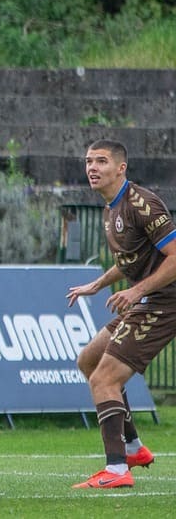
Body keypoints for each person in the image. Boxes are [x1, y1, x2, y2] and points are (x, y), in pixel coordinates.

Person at [67, 140, 174, 490]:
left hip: (164, 301)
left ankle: (116, 470)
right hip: (146, 299)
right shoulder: (111, 206)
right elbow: (130, 259)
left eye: (101, 161)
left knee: (104, 380)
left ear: (121, 168)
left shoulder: (142, 204)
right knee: (89, 360)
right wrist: (98, 284)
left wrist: (138, 290)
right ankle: (133, 448)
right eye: (88, 161)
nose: (92, 168)